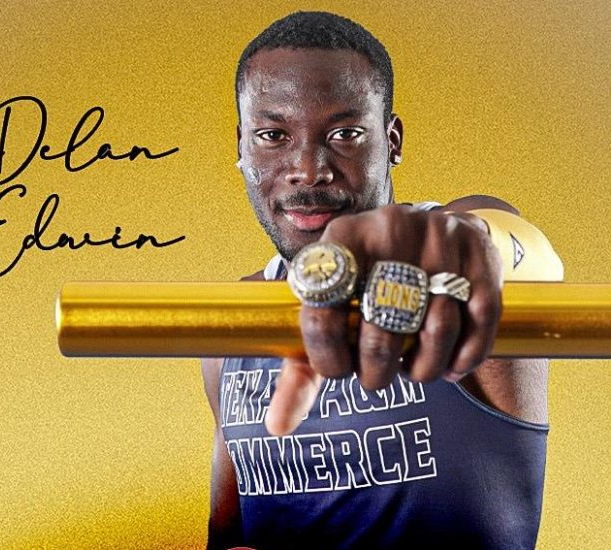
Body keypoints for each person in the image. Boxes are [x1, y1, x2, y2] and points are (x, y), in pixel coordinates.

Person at [202, 11, 562, 550]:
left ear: (391, 140)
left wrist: (475, 245)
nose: (309, 168)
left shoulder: (444, 261)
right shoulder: (233, 324)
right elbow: (229, 535)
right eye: (273, 135)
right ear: (241, 147)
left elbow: (522, 254)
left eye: (345, 134)